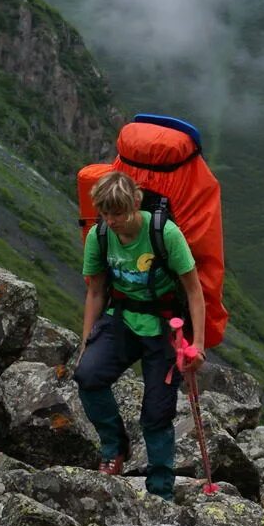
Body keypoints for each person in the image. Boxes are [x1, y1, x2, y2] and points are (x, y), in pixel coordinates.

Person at [73, 171, 205, 500]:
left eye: (117, 212)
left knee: (156, 413)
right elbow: (95, 292)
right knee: (87, 375)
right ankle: (115, 447)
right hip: (122, 319)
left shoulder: (165, 233)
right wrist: (86, 342)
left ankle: (161, 491)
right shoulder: (99, 235)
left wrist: (198, 346)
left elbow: (194, 291)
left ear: (135, 203)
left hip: (164, 327)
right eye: (104, 213)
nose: (111, 220)